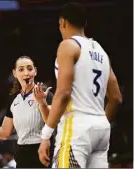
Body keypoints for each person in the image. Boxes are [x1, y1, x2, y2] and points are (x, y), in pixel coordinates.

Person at [38, 3, 122, 168]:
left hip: (76, 128)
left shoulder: (68, 46)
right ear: (85, 24)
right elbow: (116, 98)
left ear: (62, 22)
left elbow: (63, 94)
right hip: (101, 128)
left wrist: (45, 135)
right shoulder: (101, 52)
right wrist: (98, 123)